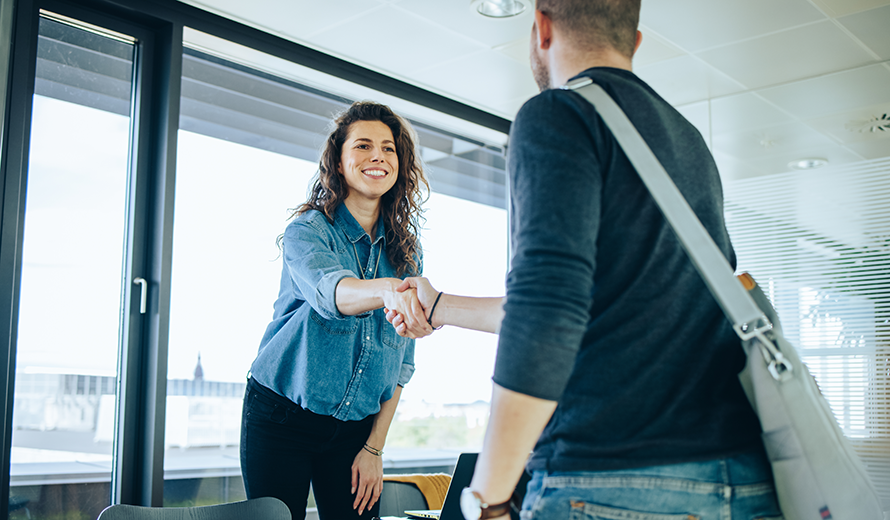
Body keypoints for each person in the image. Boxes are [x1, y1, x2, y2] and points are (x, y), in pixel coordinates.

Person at [387, 1, 782, 519]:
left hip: (611, 484)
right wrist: (439, 305)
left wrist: (488, 497)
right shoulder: (688, 143)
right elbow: (587, 305)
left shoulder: (558, 113)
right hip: (737, 481)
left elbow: (546, 310)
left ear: (542, 27)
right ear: (634, 42)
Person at [240, 101, 432, 520]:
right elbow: (333, 294)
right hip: (280, 417)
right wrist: (388, 291)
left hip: (355, 431)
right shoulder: (306, 231)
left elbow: (402, 363)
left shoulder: (406, 253)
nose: (377, 156)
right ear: (339, 162)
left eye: (389, 148)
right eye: (362, 146)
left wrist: (373, 447)